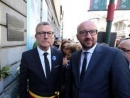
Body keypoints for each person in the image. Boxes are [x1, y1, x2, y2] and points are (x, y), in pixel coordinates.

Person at [65, 20, 130, 98]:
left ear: (97, 34)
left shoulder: (114, 55)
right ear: (77, 37)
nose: (88, 36)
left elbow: (122, 92)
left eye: (92, 32)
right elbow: (70, 86)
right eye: (83, 32)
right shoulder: (75, 57)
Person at [19, 22, 63, 98]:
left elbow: (60, 77)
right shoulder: (27, 56)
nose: (46, 36)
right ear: (36, 36)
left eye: (49, 33)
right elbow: (22, 82)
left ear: (52, 36)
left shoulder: (58, 54)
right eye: (42, 33)